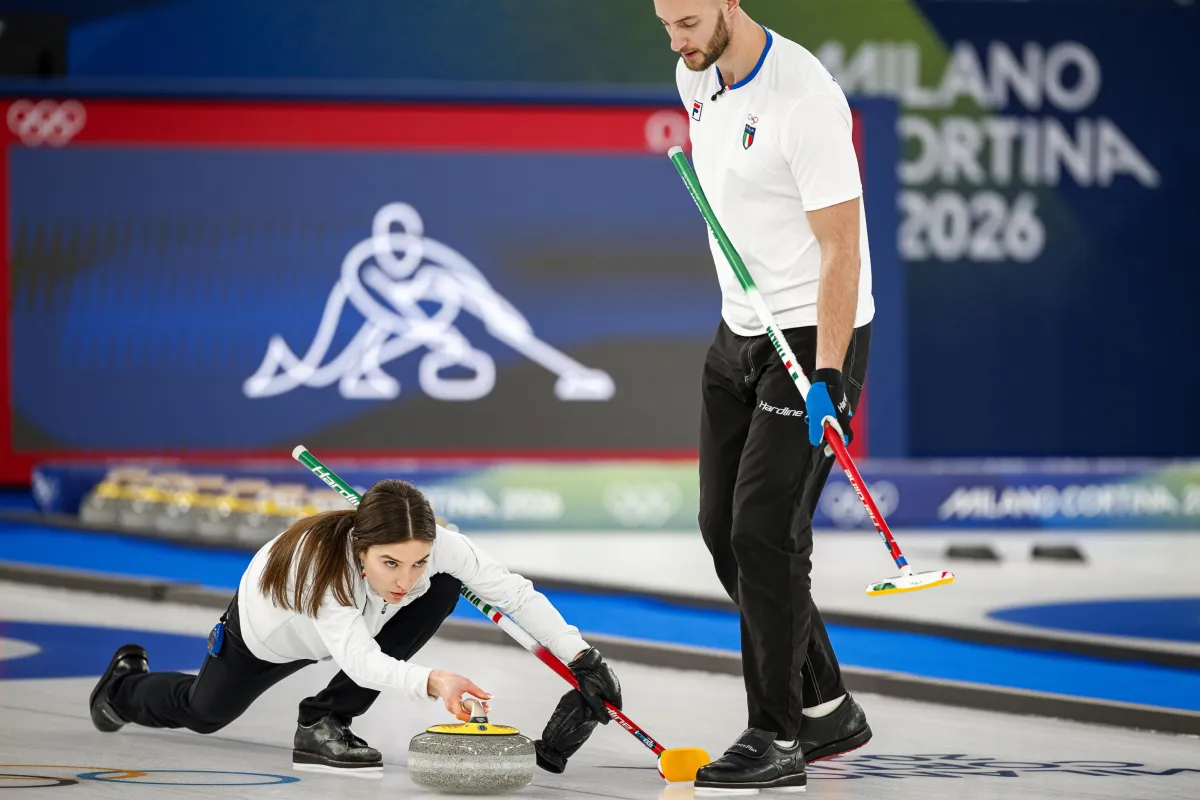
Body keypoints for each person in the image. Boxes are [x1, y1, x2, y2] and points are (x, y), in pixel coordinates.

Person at [655, 0, 874, 792]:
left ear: (727, 3)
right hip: (736, 336)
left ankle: (776, 735)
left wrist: (830, 374)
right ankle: (828, 706)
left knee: (764, 531)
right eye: (666, 26)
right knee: (723, 530)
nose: (676, 42)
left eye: (686, 22)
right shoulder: (695, 77)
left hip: (809, 338)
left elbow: (842, 244)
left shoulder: (805, 97)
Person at [88, 478, 622, 777]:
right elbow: (361, 660)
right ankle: (121, 687)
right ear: (361, 548)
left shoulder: (436, 550)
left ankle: (323, 723)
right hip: (267, 638)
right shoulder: (319, 571)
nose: (406, 578)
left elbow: (514, 593)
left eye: (418, 560)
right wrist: (436, 681)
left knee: (443, 587)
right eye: (391, 563)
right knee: (203, 713)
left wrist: (583, 660)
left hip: (353, 628)